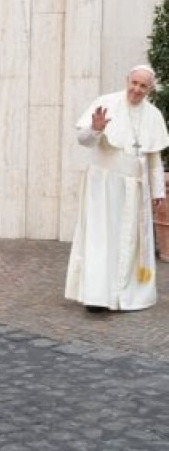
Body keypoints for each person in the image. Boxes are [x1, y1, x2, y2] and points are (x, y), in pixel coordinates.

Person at [65, 64, 169, 312]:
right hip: (104, 187)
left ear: (149, 89)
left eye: (143, 86)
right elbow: (84, 141)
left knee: (131, 242)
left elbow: (154, 158)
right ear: (127, 80)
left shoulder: (153, 115)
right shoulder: (105, 102)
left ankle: (128, 295)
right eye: (134, 83)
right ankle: (97, 297)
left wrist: (158, 192)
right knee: (102, 240)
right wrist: (96, 128)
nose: (137, 89)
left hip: (135, 190)